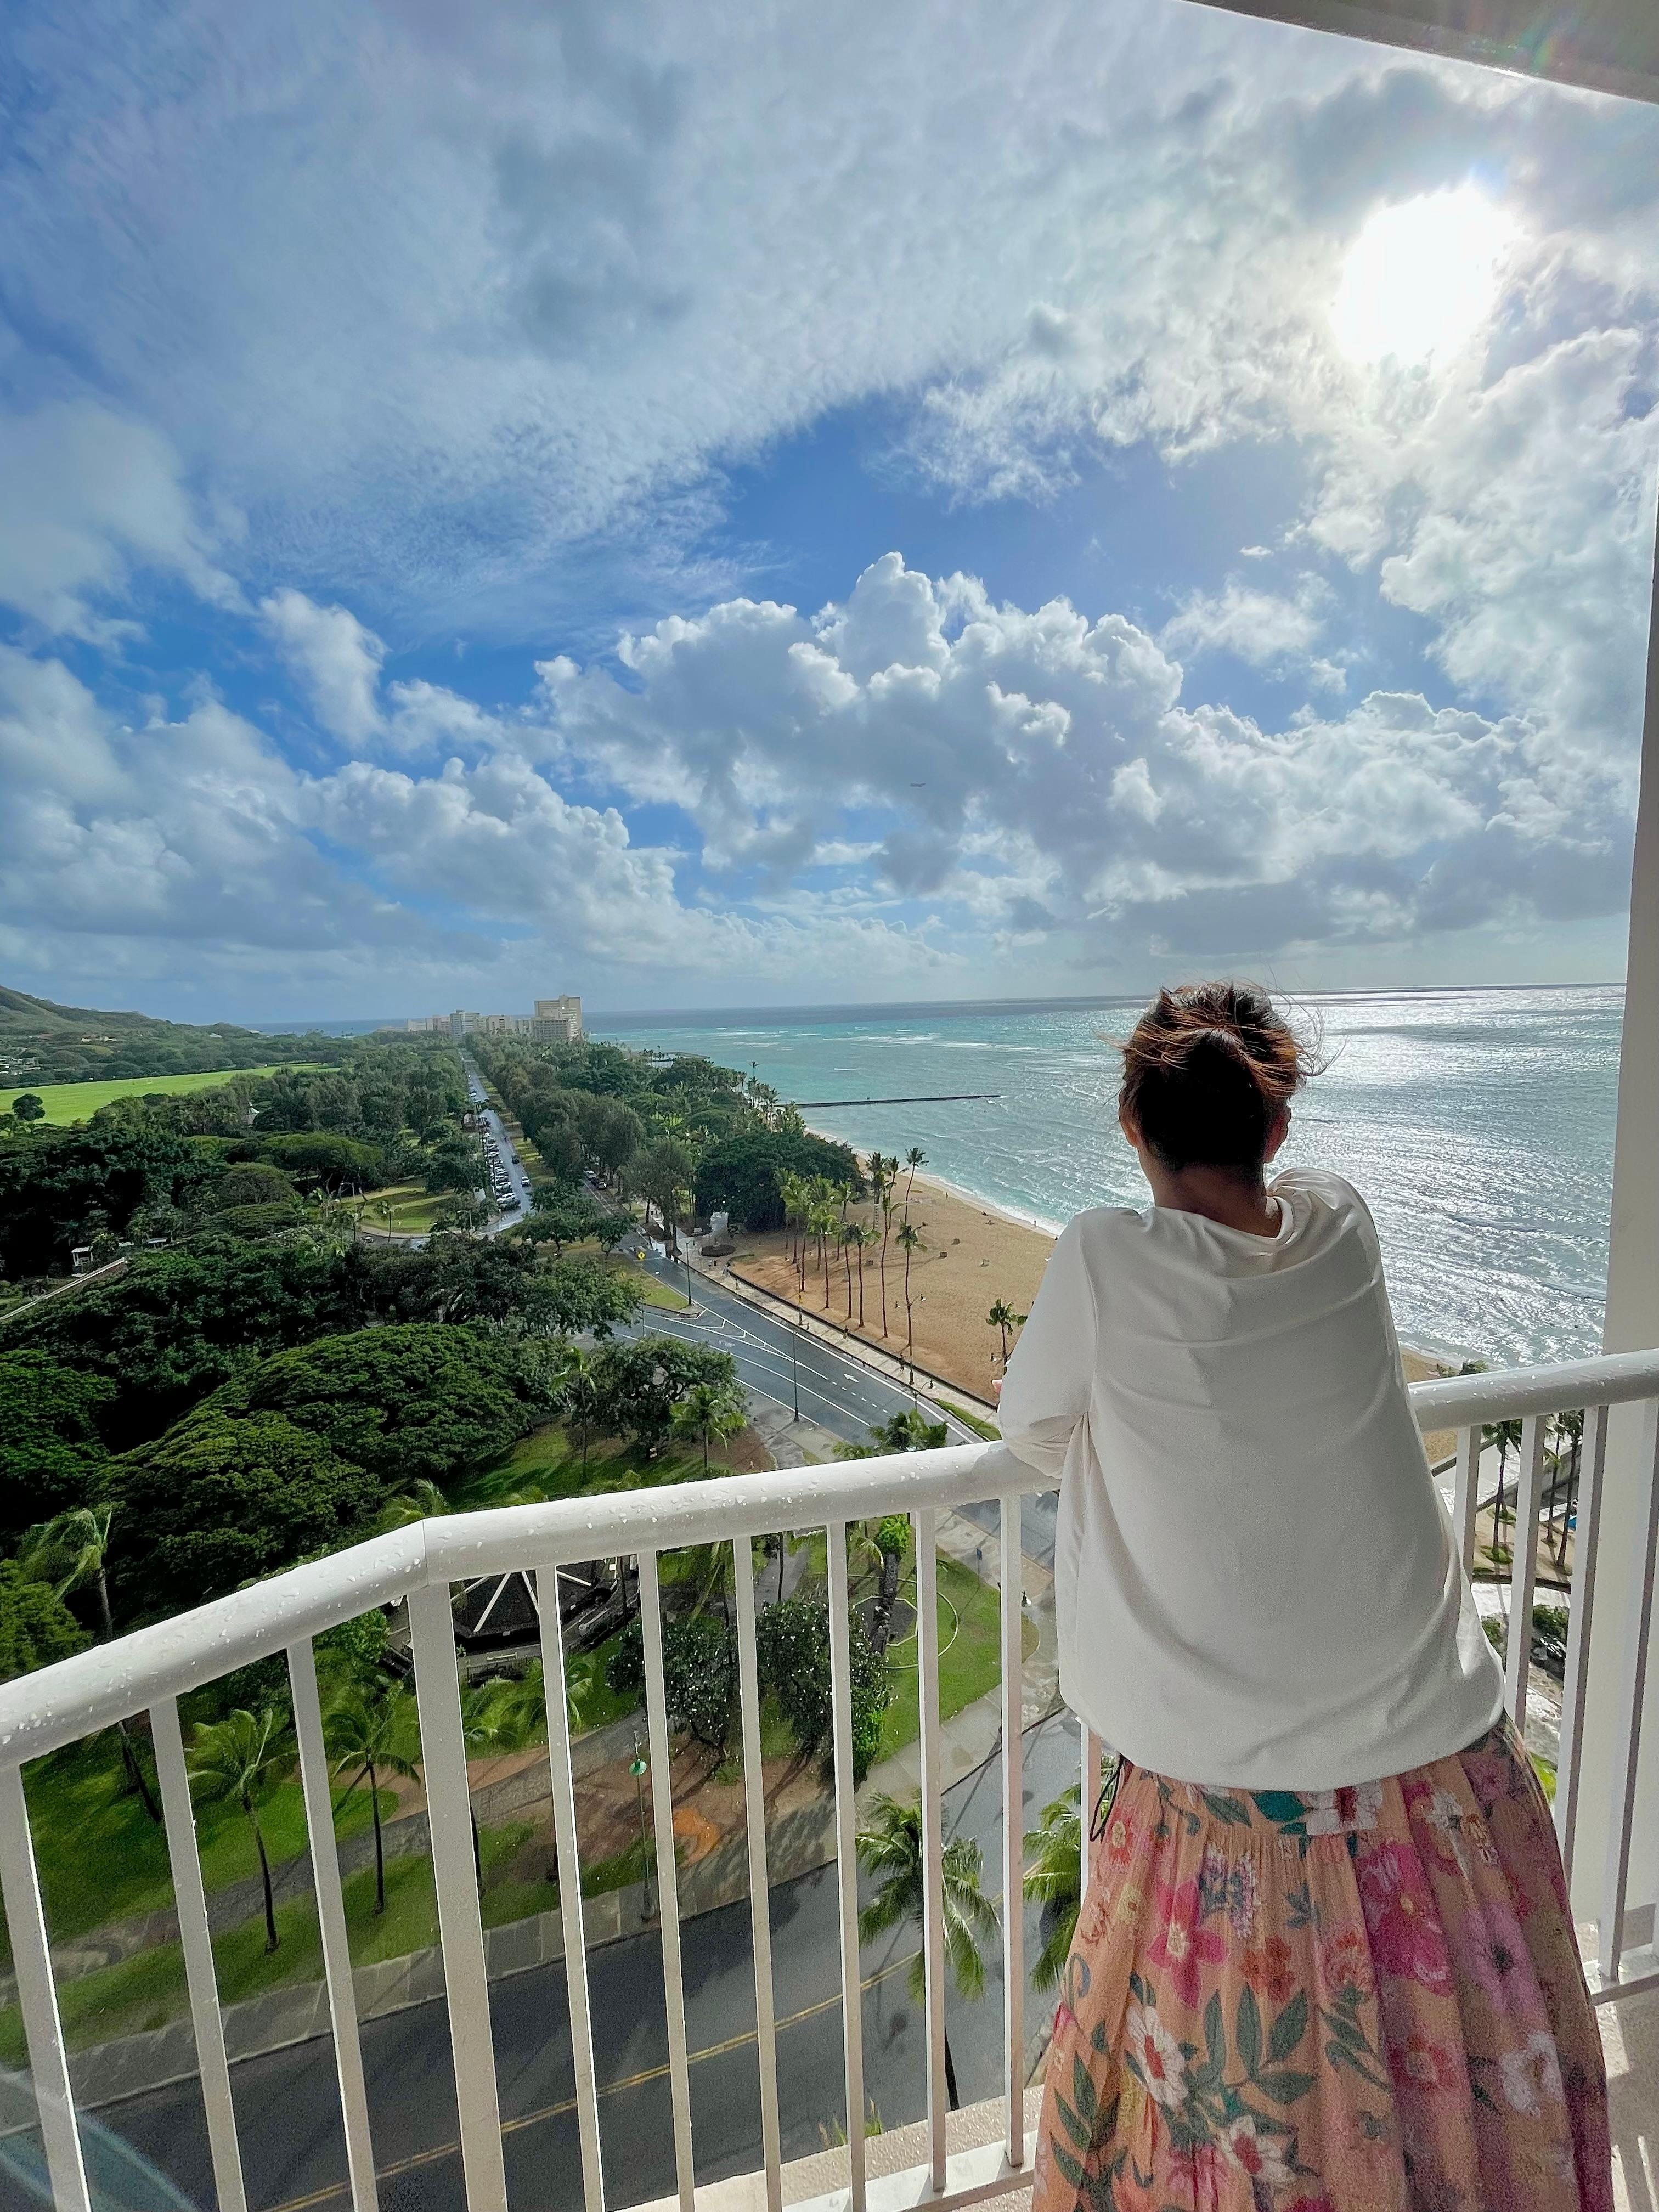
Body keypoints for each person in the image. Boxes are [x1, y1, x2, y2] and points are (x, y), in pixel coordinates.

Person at [999, 981, 1610, 2212]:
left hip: (1235, 1808)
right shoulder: (1345, 1222)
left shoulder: (1104, 1259)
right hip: (1451, 1776)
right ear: (1279, 1130)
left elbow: (1031, 1428)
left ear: (1131, 1124)